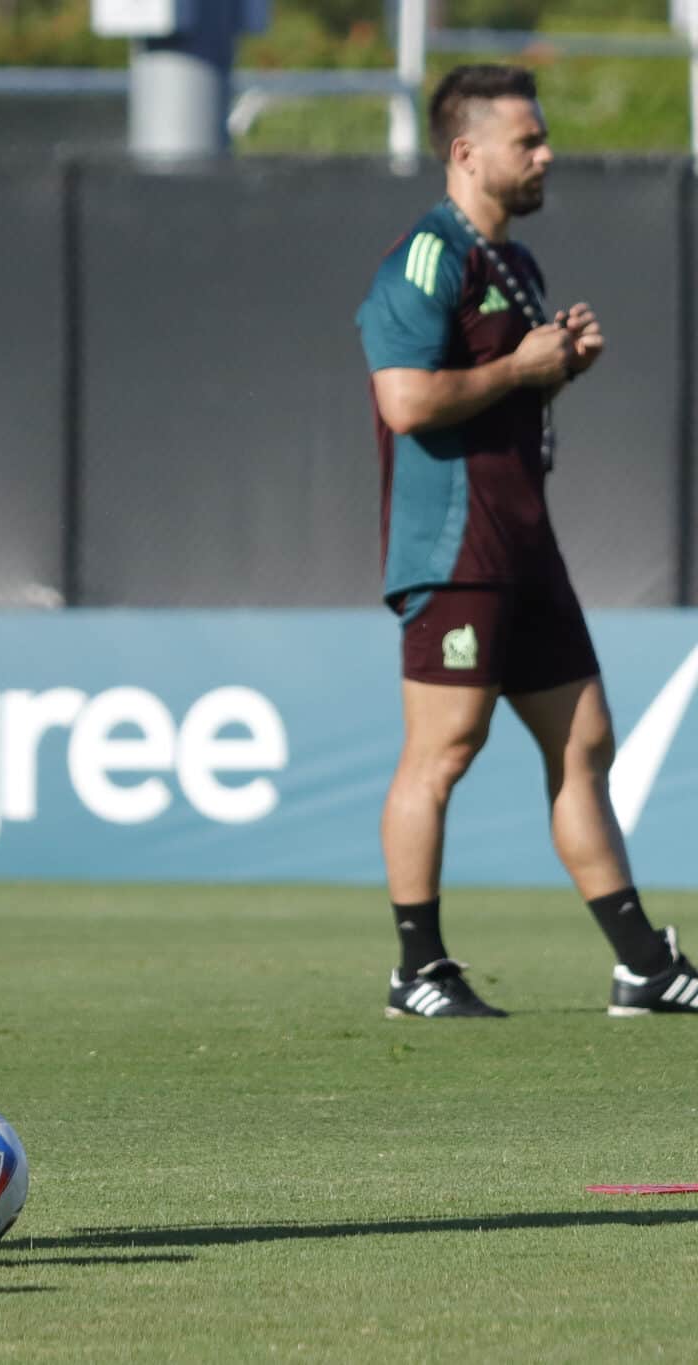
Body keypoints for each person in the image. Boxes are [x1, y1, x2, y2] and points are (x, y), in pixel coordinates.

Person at [355, 65, 696, 1020]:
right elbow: (407, 400)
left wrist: (554, 371)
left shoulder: (515, 263)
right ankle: (417, 969)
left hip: (524, 543)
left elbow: (501, 388)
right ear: (467, 153)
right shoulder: (427, 258)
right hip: (456, 542)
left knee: (586, 741)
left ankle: (642, 963)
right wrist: (520, 364)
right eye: (528, 141)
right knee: (445, 746)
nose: (547, 155)